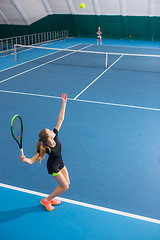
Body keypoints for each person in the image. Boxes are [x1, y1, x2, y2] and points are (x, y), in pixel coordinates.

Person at [19, 93, 70, 211]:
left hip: (60, 162)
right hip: (53, 167)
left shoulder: (55, 135)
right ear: (48, 138)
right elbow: (32, 161)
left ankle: (52, 198)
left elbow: (60, 119)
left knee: (67, 183)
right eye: (49, 131)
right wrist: (24, 159)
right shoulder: (44, 148)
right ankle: (46, 200)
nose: (52, 130)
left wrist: (64, 103)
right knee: (65, 187)